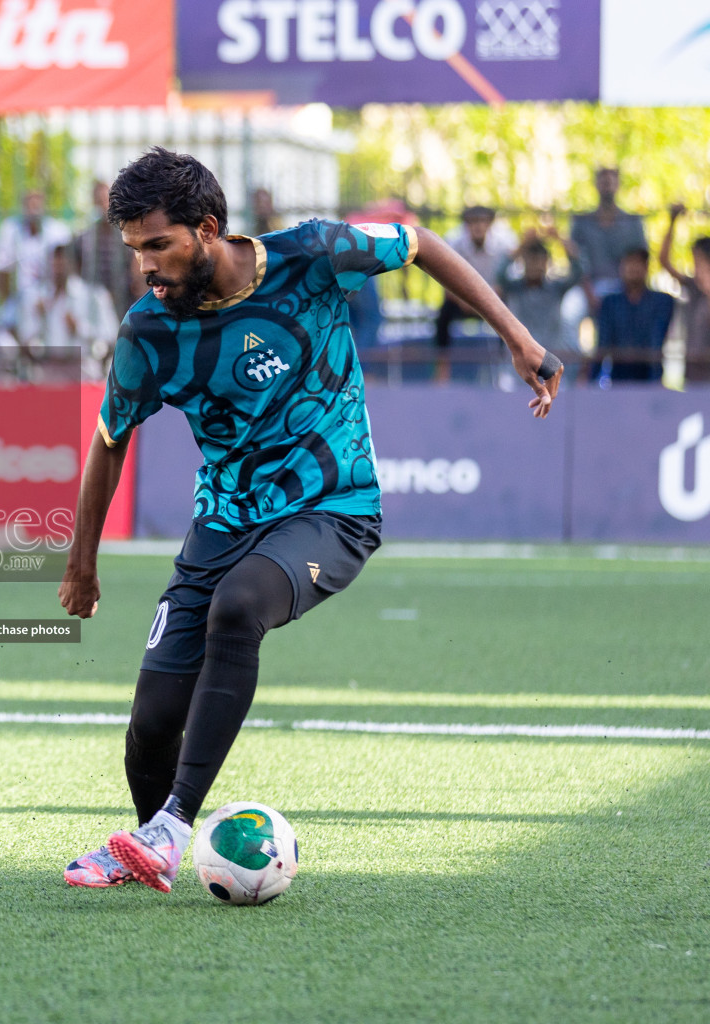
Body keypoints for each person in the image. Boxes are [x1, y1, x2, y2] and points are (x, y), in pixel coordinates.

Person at [57, 147, 560, 893]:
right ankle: (154, 841)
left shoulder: (313, 255)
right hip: (224, 523)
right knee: (151, 727)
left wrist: (514, 335)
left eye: (158, 246)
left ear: (207, 228)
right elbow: (109, 440)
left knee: (239, 609)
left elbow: (420, 243)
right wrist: (82, 561)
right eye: (134, 251)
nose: (146, 268)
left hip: (333, 509)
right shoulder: (148, 332)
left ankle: (169, 828)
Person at [433, 206, 516, 377]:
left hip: (493, 299)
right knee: (443, 315)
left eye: (482, 221)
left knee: (509, 317)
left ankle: (507, 365)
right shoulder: (452, 242)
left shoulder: (505, 243)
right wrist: (462, 298)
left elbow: (509, 280)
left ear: (490, 224)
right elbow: (444, 279)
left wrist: (488, 299)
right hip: (461, 300)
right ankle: (442, 367)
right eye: (473, 222)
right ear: (466, 225)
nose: (478, 226)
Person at [19, 244, 118, 379]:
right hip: (48, 371)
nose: (58, 268)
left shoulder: (93, 295)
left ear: (75, 264)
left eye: (63, 261)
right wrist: (39, 317)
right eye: (55, 262)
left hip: (84, 370)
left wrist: (80, 328)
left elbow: (110, 335)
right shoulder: (39, 297)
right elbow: (26, 339)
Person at [498, 229, 584, 378]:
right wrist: (522, 244)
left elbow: (579, 270)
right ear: (523, 261)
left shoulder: (556, 288)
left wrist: (559, 239)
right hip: (521, 356)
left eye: (539, 260)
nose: (535, 265)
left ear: (546, 262)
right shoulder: (514, 287)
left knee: (551, 396)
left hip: (550, 355)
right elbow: (499, 274)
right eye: (531, 260)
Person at [571, 168, 648, 310]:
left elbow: (642, 259)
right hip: (588, 286)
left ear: (618, 184)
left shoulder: (632, 222)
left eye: (611, 181)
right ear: (596, 184)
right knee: (570, 312)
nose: (607, 185)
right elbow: (575, 262)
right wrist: (588, 292)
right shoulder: (582, 222)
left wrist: (631, 291)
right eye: (603, 181)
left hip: (623, 287)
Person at [592, 248, 673, 384]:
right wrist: (591, 380)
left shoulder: (662, 301)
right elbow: (603, 343)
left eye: (638, 263)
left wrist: (656, 380)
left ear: (646, 267)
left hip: (650, 377)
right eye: (629, 263)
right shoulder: (609, 303)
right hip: (618, 378)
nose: (633, 268)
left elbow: (657, 339)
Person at [0, 190, 72, 325]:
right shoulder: (10, 230)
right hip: (19, 300)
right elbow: (2, 272)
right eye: (30, 203)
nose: (33, 208)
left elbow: (67, 271)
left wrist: (52, 300)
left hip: (53, 298)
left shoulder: (58, 231)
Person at [660, 203, 710, 384]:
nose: (696, 268)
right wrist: (672, 222)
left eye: (700, 262)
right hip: (693, 372)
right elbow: (664, 261)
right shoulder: (692, 286)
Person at [76, 182, 139, 315]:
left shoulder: (125, 232)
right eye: (99, 201)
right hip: (95, 300)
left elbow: (134, 263)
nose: (103, 205)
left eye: (106, 200)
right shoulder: (87, 236)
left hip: (122, 298)